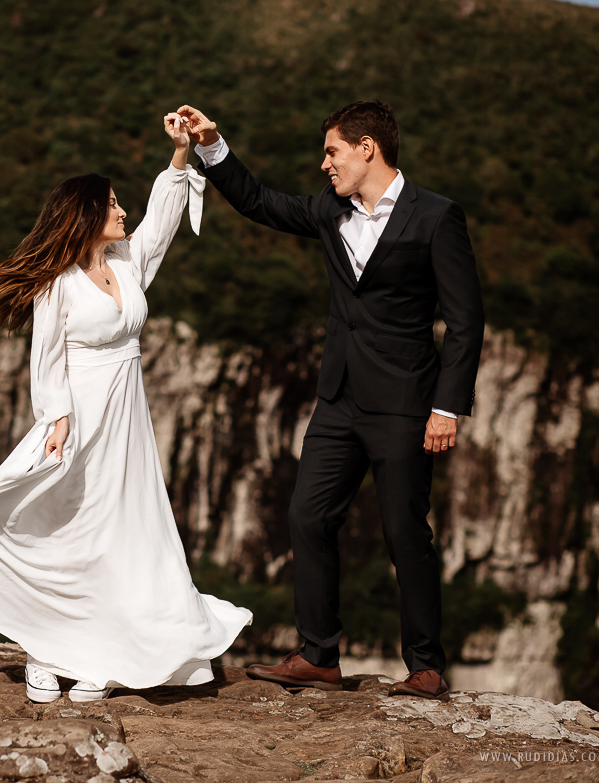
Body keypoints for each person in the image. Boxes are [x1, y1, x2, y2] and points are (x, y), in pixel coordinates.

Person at [0, 113, 253, 703]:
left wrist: (179, 157)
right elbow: (45, 357)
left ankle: (102, 656)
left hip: (128, 421)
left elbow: (162, 227)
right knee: (61, 527)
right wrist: (57, 420)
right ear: (88, 217)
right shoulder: (58, 283)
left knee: (122, 533)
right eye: (114, 205)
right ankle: (45, 649)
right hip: (81, 417)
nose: (122, 212)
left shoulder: (125, 263)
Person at [177, 101, 484, 699]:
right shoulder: (328, 211)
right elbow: (259, 201)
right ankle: (319, 654)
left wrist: (447, 407)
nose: (324, 165)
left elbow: (466, 321)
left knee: (403, 532)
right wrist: (213, 145)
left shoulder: (438, 217)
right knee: (307, 516)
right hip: (338, 399)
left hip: (405, 403)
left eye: (332, 152)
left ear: (367, 148)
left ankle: (424, 666)